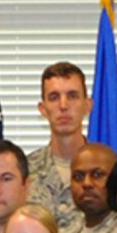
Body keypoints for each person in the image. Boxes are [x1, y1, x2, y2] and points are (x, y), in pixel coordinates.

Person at [29, 62, 91, 216]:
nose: (63, 106)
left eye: (72, 96)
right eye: (54, 97)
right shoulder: (23, 172)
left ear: (87, 106)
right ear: (42, 109)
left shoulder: (109, 170)